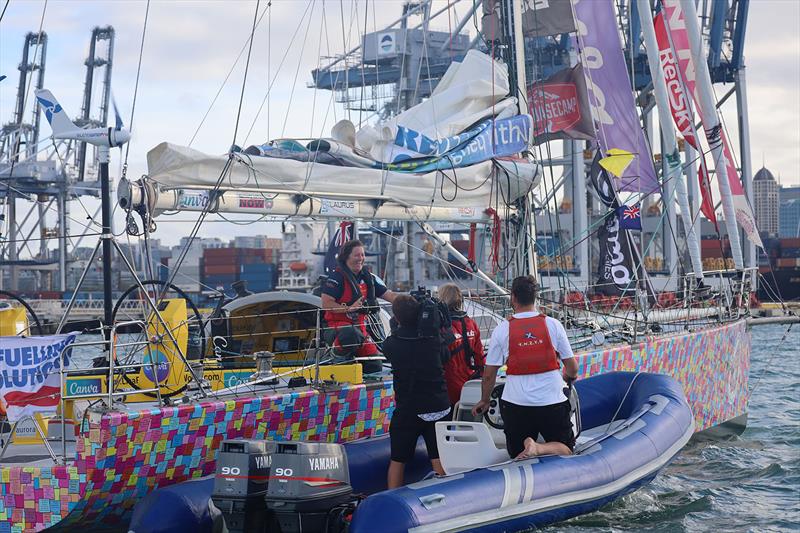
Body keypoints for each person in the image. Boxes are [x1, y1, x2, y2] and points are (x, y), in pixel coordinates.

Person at [472, 276, 579, 459]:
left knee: (516, 454)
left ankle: (528, 449)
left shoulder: (502, 329)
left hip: (515, 405)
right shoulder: (553, 325)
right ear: (535, 298)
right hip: (551, 402)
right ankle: (539, 448)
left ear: (513, 297)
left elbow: (489, 375)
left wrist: (484, 399)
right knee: (566, 448)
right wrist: (567, 377)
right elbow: (572, 368)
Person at [382, 294, 450, 488]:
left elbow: (388, 347)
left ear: (397, 317)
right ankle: (445, 497)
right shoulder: (433, 339)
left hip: (409, 409)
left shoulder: (393, 343)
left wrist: (396, 326)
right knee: (438, 458)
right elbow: (445, 356)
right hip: (438, 406)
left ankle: (392, 498)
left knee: (398, 460)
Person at [321, 239, 398, 373]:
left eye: (362, 255)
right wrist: (348, 309)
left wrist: (409, 302)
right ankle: (336, 354)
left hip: (361, 330)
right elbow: (326, 303)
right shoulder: (336, 277)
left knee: (375, 366)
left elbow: (389, 295)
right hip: (337, 328)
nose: (361, 258)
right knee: (350, 334)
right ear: (346, 257)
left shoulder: (368, 278)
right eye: (357, 255)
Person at [438, 283, 485, 409]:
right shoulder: (471, 323)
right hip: (469, 381)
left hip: (448, 384)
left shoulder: (442, 327)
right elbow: (479, 355)